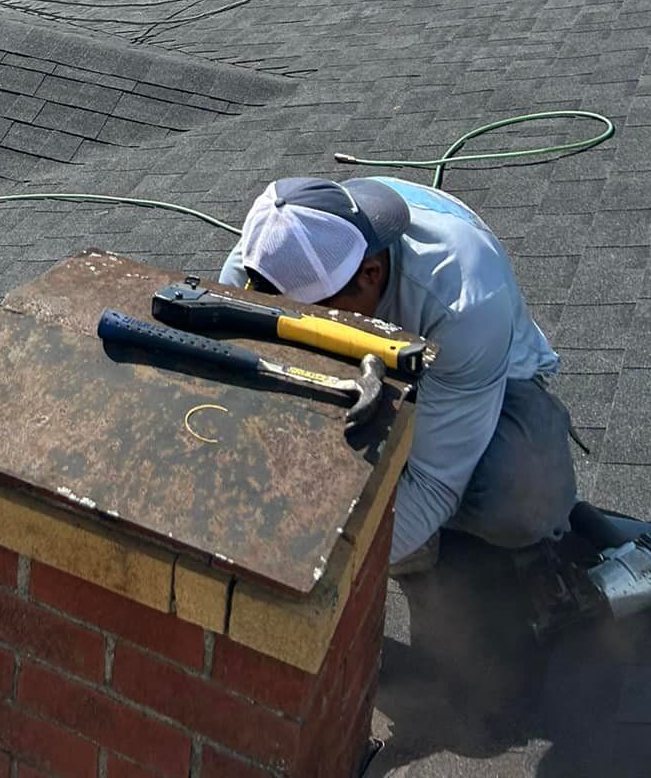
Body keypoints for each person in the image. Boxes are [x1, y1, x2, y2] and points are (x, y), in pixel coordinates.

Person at [220, 175, 577, 575]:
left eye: (319, 319)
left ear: (370, 274)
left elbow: (433, 482)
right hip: (388, 352)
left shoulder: (463, 302)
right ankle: (406, 534)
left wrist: (324, 576)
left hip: (484, 376)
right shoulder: (265, 261)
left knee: (518, 497)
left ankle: (434, 541)